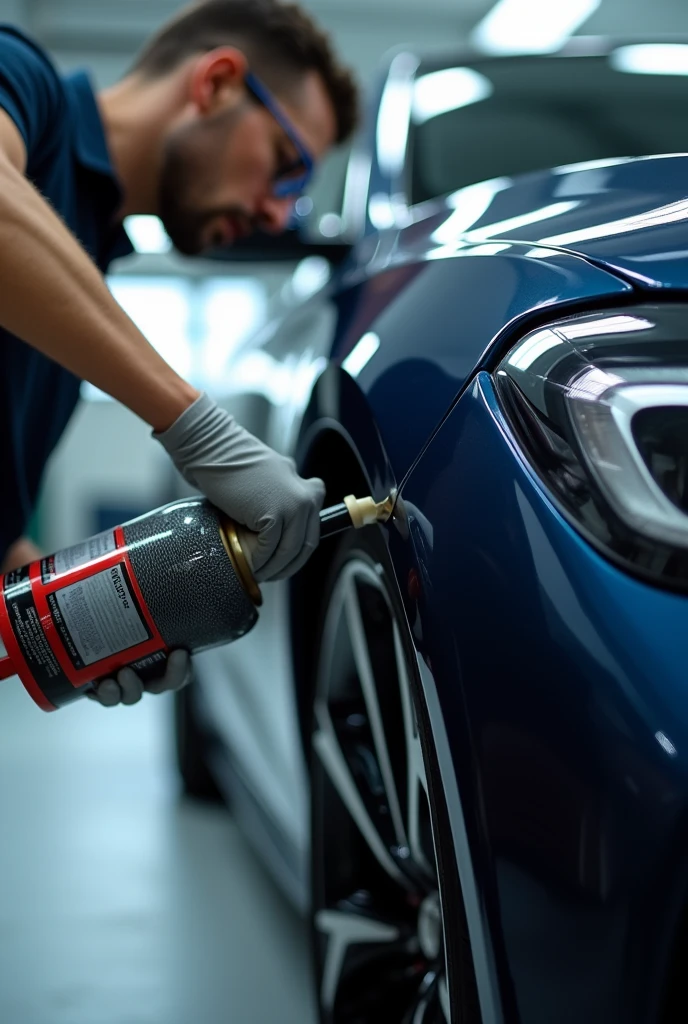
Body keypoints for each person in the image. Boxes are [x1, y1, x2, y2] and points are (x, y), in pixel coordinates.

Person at [0, 1, 358, 707]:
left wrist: (74, 613)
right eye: (287, 167)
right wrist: (195, 426)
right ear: (217, 82)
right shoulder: (22, 73)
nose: (278, 214)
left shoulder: (79, 288)